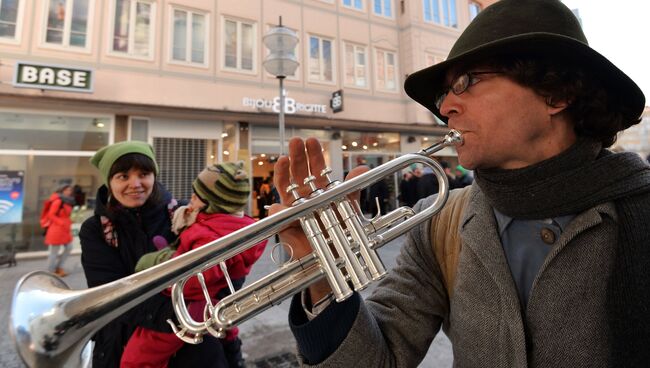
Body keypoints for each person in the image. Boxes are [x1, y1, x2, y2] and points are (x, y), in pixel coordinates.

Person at [269, 0, 650, 366]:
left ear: (557, 93)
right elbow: (375, 360)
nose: (446, 108)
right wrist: (320, 276)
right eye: (445, 93)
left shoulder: (640, 209)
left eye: (466, 82)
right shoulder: (438, 222)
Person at [79, 141, 224, 368]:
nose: (135, 184)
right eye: (123, 176)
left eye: (144, 174)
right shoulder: (96, 229)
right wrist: (184, 316)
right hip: (123, 342)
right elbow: (110, 293)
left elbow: (221, 272)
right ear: (109, 181)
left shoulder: (184, 214)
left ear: (154, 176)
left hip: (194, 348)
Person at [120, 162, 267, 368]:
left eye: (196, 197)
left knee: (137, 357)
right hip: (214, 304)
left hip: (191, 307)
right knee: (226, 334)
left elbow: (191, 282)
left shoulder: (209, 236)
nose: (190, 200)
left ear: (213, 205)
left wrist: (163, 270)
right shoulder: (236, 226)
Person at [43, 184, 75, 277]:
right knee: (54, 252)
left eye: (70, 190)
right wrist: (61, 223)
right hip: (56, 230)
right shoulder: (58, 201)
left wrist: (68, 221)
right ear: (62, 190)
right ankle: (50, 271)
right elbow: (51, 215)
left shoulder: (67, 201)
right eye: (67, 190)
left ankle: (59, 267)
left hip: (64, 229)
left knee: (69, 248)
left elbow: (65, 215)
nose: (69, 192)